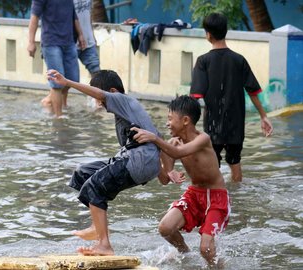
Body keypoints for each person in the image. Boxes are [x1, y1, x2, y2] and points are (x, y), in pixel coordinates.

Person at [47, 69, 160, 255]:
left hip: (138, 162)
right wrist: (163, 172)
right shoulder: (127, 111)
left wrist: (67, 82)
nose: (97, 100)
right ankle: (96, 227)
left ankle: (104, 245)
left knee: (95, 187)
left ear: (113, 92)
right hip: (137, 160)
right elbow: (157, 138)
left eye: (100, 95)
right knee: (82, 174)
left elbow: (101, 94)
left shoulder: (123, 100)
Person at [131, 95, 229, 266]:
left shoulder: (202, 139)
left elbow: (178, 153)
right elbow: (164, 178)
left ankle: (218, 267)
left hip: (216, 197)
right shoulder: (172, 144)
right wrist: (160, 160)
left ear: (185, 120)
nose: (167, 123)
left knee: (206, 249)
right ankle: (185, 254)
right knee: (165, 228)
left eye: (170, 118)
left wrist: (155, 138)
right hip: (194, 194)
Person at [190, 12, 273, 182]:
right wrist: (264, 116)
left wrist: (188, 128)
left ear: (208, 35)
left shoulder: (203, 61)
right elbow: (253, 91)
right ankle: (237, 202)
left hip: (213, 126)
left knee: (213, 168)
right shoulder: (239, 60)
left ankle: (219, 202)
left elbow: (195, 97)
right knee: (235, 163)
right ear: (225, 31)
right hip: (236, 125)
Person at [28, 0, 86, 118]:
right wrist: (31, 42)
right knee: (56, 83)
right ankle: (58, 117)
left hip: (69, 42)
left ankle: (50, 101)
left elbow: (73, 16)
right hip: (51, 43)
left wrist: (80, 35)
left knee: (73, 79)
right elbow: (34, 18)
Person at [41, 0, 102, 110]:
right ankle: (54, 101)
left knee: (95, 71)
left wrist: (91, 36)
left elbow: (88, 16)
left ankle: (99, 105)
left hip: (86, 42)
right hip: (68, 42)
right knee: (62, 79)